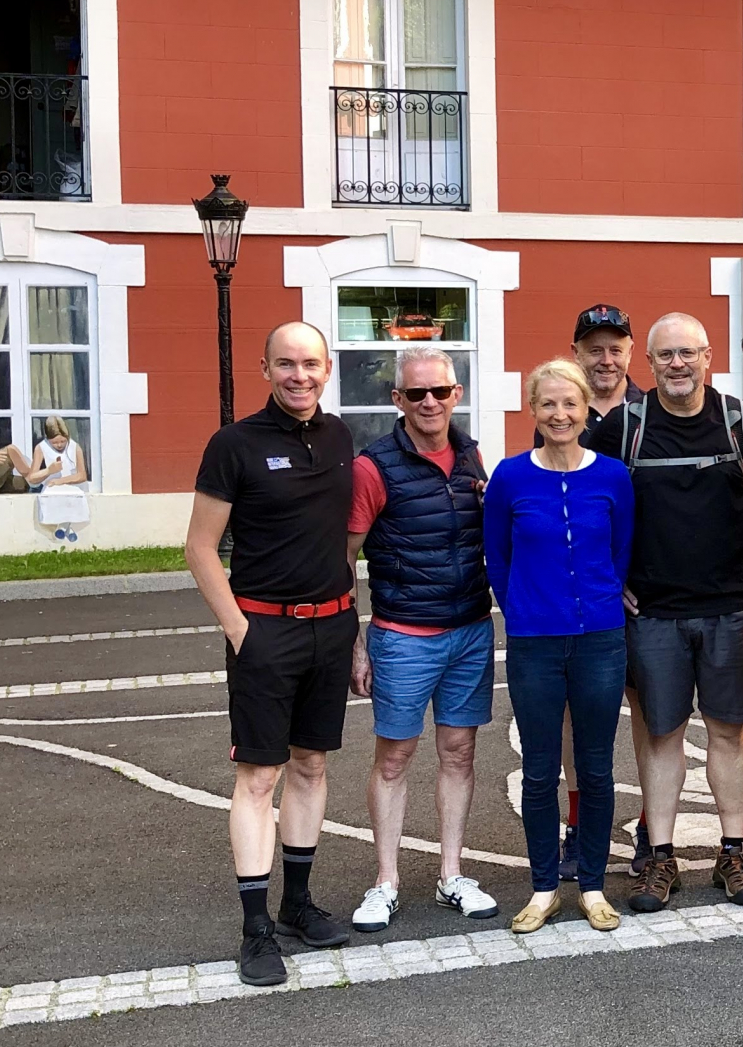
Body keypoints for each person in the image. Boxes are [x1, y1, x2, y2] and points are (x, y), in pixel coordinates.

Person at [182, 322, 359, 988]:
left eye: (310, 363)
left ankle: (297, 904)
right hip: (264, 631)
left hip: (331, 628)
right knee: (259, 779)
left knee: (311, 766)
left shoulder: (340, 437)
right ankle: (256, 931)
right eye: (286, 364)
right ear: (265, 368)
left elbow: (344, 541)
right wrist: (240, 632)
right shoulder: (234, 445)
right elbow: (200, 548)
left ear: (327, 367)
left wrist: (354, 626)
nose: (299, 375)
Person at [586, 313, 743, 914]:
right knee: (662, 735)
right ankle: (658, 857)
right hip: (654, 613)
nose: (677, 364)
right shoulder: (625, 426)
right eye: (665, 355)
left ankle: (733, 850)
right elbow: (583, 499)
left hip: (730, 611)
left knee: (727, 730)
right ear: (649, 362)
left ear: (708, 356)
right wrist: (610, 582)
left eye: (687, 353)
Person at [344, 347, 500, 934]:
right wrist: (356, 643)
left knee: (459, 752)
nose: (430, 402)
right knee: (395, 757)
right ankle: (385, 882)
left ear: (456, 394)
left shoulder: (472, 456)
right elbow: (345, 559)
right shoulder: (373, 466)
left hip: (468, 631)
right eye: (416, 394)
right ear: (398, 400)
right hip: (404, 636)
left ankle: (451, 874)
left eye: (440, 392)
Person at [485, 358, 636, 934]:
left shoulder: (612, 476)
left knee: (596, 768)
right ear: (533, 410)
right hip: (534, 641)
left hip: (599, 636)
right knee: (539, 770)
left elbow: (621, 550)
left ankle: (593, 886)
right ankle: (545, 886)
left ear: (584, 410)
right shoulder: (511, 476)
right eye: (547, 404)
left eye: (569, 404)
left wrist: (602, 597)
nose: (560, 414)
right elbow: (498, 554)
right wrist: (519, 604)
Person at [546, 303, 641, 882]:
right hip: (578, 597)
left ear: (630, 353)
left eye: (615, 348)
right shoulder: (560, 412)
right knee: (571, 720)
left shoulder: (655, 410)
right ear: (576, 351)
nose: (605, 359)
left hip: (645, 591)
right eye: (594, 348)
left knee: (653, 712)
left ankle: (655, 829)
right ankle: (581, 827)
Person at [26, 416, 87, 488]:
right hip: (51, 491)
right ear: (48, 439)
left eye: (63, 441)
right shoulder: (41, 448)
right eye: (54, 442)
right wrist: (48, 471)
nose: (59, 445)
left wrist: (59, 481)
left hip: (74, 490)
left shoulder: (75, 447)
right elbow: (32, 478)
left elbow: (82, 476)